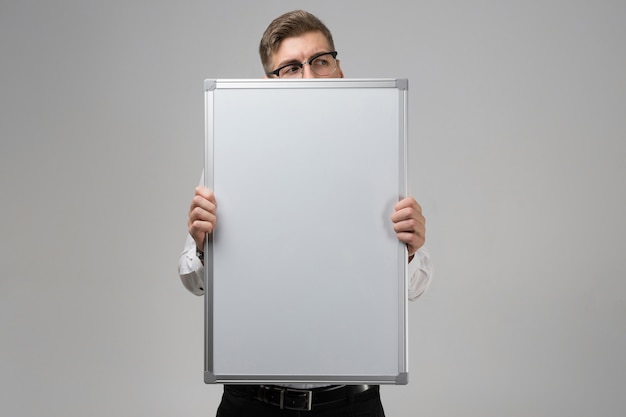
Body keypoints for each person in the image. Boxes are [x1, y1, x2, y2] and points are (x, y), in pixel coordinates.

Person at [178, 10, 433, 417]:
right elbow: (194, 282)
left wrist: (409, 251)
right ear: (268, 85)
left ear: (339, 70)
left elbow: (414, 287)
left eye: (320, 61)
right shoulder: (232, 156)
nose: (310, 77)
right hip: (253, 401)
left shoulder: (378, 155)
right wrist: (203, 246)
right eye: (292, 68)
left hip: (351, 402)